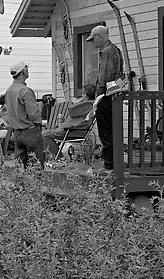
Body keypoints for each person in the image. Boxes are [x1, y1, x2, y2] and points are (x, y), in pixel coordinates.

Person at [86, 25, 124, 170]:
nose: (93, 44)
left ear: (99, 37)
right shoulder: (116, 50)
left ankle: (109, 163)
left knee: (106, 131)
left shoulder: (107, 51)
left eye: (93, 40)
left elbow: (104, 77)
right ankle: (115, 161)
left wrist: (98, 96)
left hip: (106, 96)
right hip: (115, 93)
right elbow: (120, 75)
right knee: (113, 129)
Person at [5, 60, 45, 169]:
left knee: (21, 166)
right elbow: (33, 114)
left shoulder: (9, 91)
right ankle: (35, 185)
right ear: (23, 72)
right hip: (30, 132)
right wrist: (40, 106)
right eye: (26, 68)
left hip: (17, 133)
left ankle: (22, 186)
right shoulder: (26, 91)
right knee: (36, 165)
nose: (28, 70)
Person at [42, 83, 96, 160]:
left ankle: (60, 158)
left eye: (83, 93)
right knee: (49, 131)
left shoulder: (86, 105)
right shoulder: (91, 105)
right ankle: (60, 157)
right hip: (76, 130)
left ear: (85, 94)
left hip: (72, 131)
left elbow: (71, 110)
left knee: (44, 134)